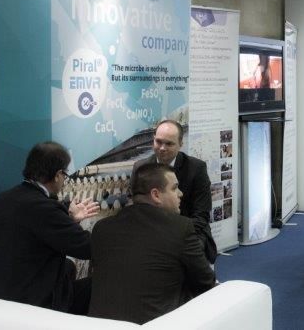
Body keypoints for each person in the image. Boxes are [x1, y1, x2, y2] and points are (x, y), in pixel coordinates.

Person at [0, 142, 99, 313]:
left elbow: (33, 234)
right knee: (98, 285)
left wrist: (69, 220)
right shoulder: (45, 209)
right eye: (65, 175)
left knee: (68, 267)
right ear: (57, 175)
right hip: (25, 306)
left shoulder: (3, 199)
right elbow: (88, 248)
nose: (64, 180)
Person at [89, 162, 216, 324]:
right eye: (175, 188)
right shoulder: (181, 227)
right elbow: (206, 282)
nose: (181, 194)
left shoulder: (101, 228)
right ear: (156, 195)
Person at [133, 120, 217, 263]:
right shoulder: (140, 167)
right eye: (158, 142)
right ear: (153, 139)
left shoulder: (196, 168)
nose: (162, 148)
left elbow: (201, 216)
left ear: (180, 144)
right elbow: (136, 207)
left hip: (189, 232)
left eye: (169, 144)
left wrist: (170, 235)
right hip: (151, 232)